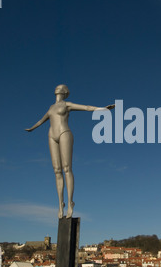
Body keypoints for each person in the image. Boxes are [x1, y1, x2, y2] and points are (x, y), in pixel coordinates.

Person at [25, 84, 115, 219]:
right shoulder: (51, 107)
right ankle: (60, 204)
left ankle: (70, 202)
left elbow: (86, 108)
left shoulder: (67, 105)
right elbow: (41, 120)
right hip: (51, 135)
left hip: (64, 133)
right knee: (56, 170)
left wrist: (102, 109)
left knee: (67, 168)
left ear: (65, 92)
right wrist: (32, 128)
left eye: (61, 87)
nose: (57, 88)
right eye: (56, 86)